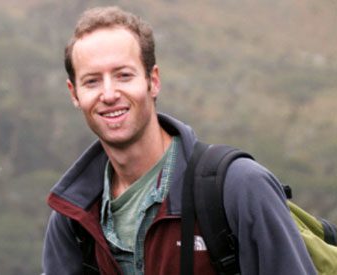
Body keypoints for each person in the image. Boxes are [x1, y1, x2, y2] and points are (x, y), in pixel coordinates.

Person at [42, 6, 317, 275]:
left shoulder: (239, 188)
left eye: (124, 75)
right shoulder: (73, 218)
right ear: (74, 94)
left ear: (153, 80)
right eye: (92, 81)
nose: (109, 93)